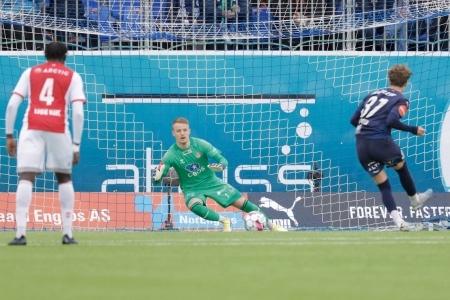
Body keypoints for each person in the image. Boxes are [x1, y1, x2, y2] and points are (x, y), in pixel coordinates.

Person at [5, 41, 86, 245]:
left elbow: (13, 104)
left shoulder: (30, 72)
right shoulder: (72, 76)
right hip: (58, 128)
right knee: (64, 177)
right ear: (65, 56)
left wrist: (8, 135)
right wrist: (76, 144)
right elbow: (77, 113)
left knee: (26, 176)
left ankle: (20, 234)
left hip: (32, 127)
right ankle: (67, 234)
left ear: (45, 55)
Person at [153, 117, 288, 232]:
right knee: (194, 206)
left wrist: (221, 165)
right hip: (192, 188)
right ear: (173, 133)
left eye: (184, 130)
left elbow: (223, 160)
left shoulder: (200, 144)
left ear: (189, 131)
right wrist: (157, 177)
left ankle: (272, 226)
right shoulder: (170, 154)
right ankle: (224, 221)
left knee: (243, 203)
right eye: (178, 131)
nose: (182, 133)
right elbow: (158, 178)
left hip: (212, 182)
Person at [350, 64, 432, 231]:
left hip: (361, 144)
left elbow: (353, 120)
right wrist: (413, 129)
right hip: (380, 142)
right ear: (406, 83)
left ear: (389, 79)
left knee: (384, 185)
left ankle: (400, 223)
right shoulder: (402, 100)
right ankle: (415, 201)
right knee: (401, 167)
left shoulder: (372, 94)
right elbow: (391, 121)